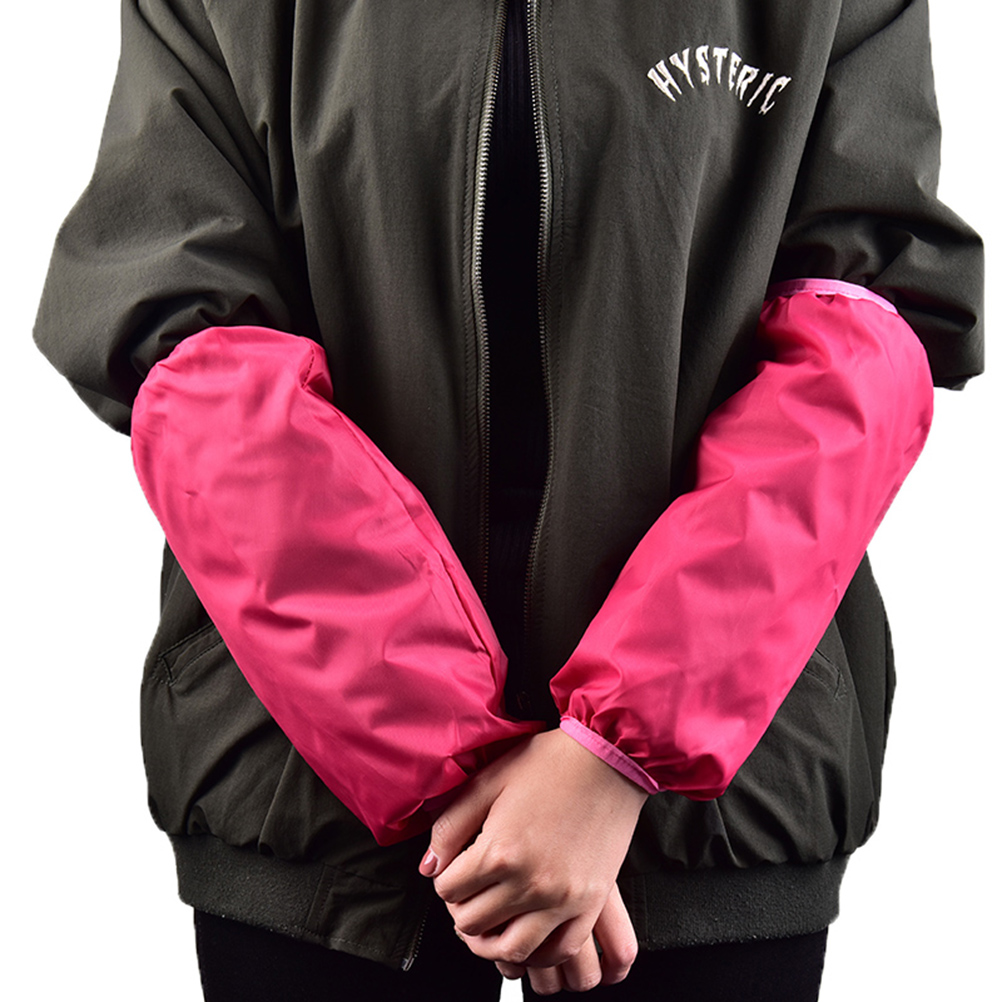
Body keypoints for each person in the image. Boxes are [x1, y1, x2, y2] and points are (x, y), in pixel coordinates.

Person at [33, 1, 982, 999]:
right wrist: (465, 773)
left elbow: (864, 336)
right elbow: (185, 342)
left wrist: (617, 752)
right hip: (313, 795)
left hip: (716, 808)